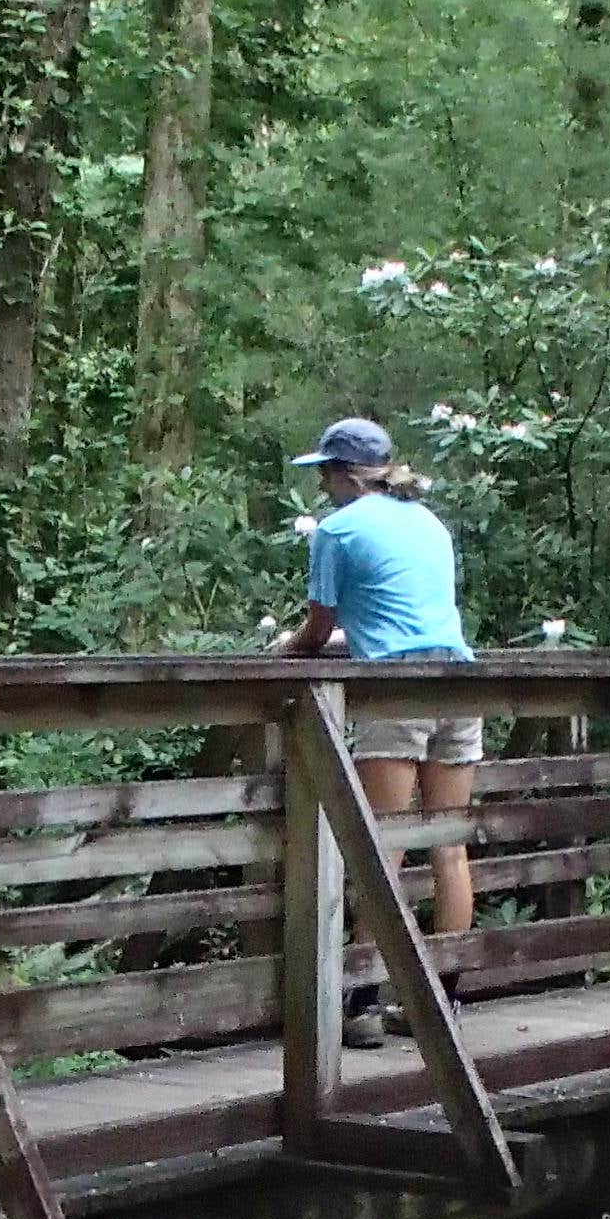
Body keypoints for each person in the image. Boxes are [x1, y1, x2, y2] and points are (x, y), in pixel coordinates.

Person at [272, 417, 477, 1043]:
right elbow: (405, 611)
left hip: (398, 688)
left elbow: (314, 632)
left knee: (380, 845)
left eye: (326, 474)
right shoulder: (428, 522)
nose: (322, 487)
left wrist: (287, 650)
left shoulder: (335, 532)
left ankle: (361, 1003)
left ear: (341, 474)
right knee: (448, 842)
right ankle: (438, 999)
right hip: (462, 682)